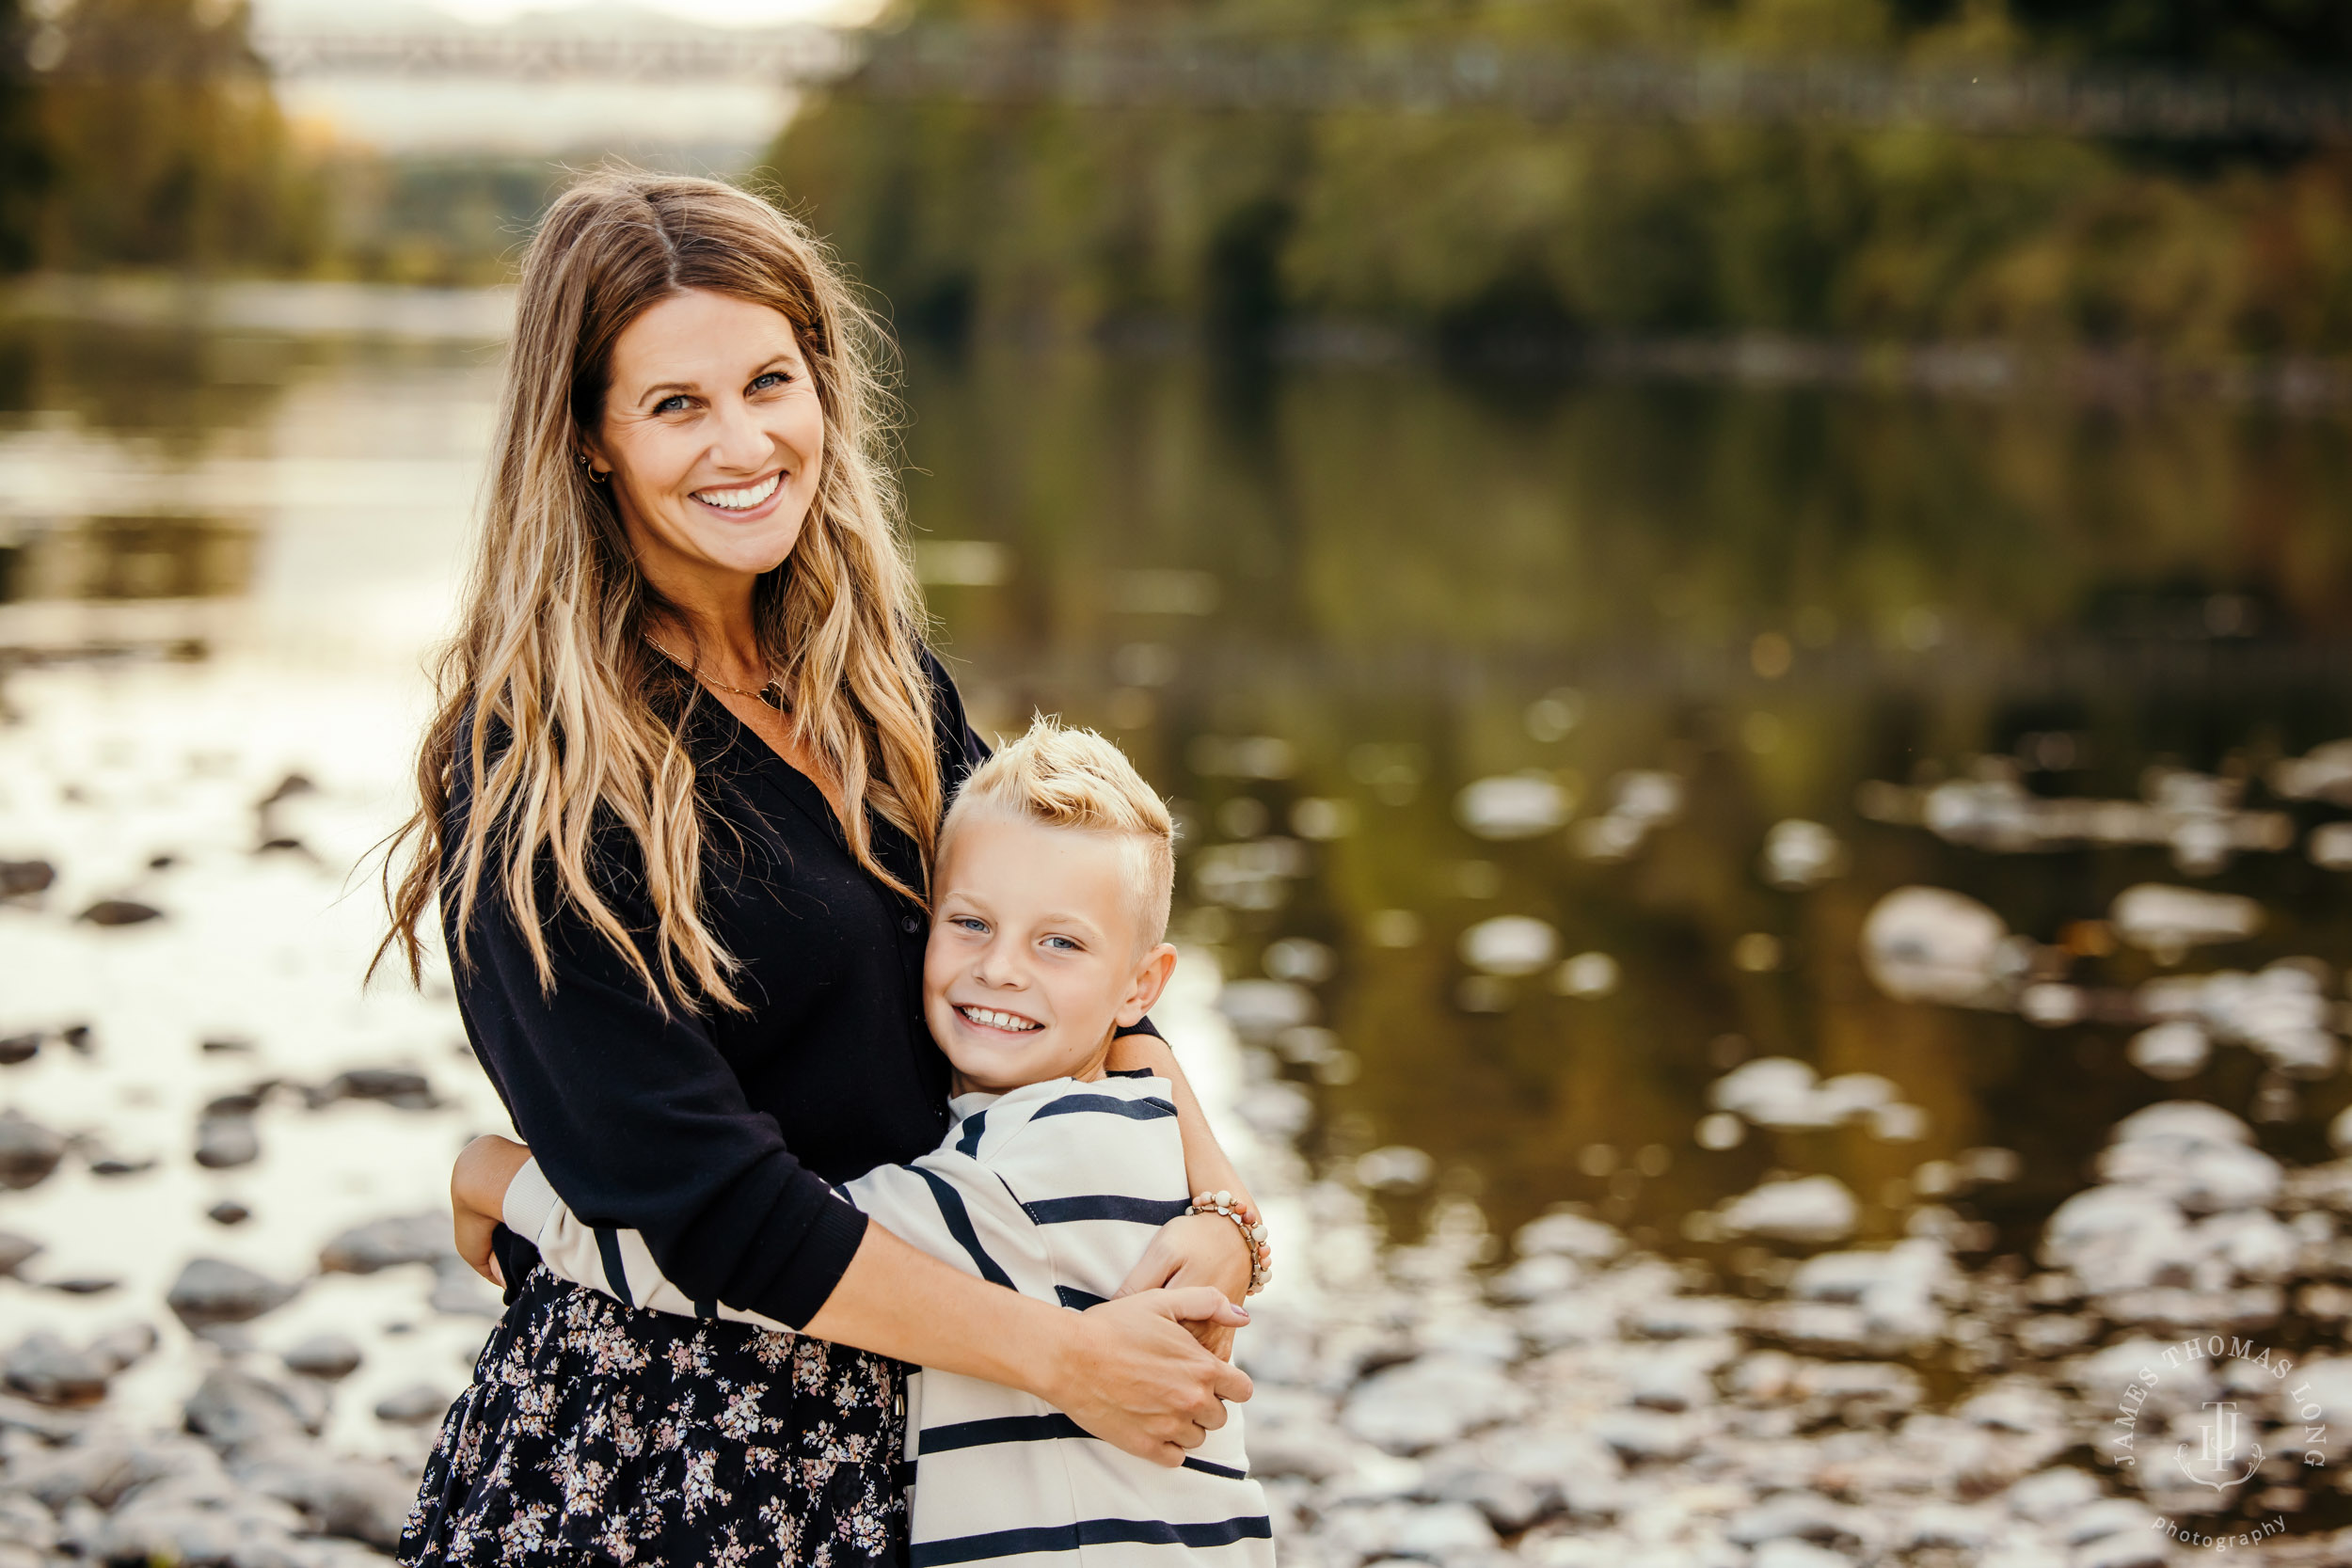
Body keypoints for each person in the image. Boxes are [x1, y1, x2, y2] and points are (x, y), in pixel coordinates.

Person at [375, 169, 1258, 1567]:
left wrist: (1219, 1214)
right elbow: (718, 1207)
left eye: (771, 381)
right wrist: (1066, 1358)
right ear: (589, 438)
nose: (745, 442)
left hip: (946, 1418)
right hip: (675, 1460)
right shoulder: (537, 780)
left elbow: (1068, 961)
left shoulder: (878, 680)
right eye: (676, 404)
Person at [453, 720, 1276, 1565]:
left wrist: (504, 1179)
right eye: (969, 923)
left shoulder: (1028, 1171)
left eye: (1058, 942)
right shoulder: (1130, 1115)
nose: (1000, 969)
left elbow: (725, 1256)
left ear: (1144, 983)